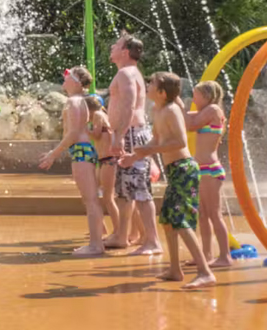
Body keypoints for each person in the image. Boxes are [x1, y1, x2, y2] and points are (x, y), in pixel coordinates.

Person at [120, 72, 215, 289]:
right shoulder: (157, 109)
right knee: (167, 221)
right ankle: (174, 269)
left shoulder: (172, 110)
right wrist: (135, 156)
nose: (148, 85)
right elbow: (156, 139)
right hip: (174, 170)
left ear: (162, 93)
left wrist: (151, 149)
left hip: (184, 168)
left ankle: (205, 272)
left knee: (180, 221)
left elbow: (181, 141)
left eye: (152, 83)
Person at [39, 66, 105, 256]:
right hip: (82, 151)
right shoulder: (77, 101)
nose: (64, 79)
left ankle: (96, 245)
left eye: (67, 77)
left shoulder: (74, 101)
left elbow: (74, 133)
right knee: (90, 199)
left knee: (91, 200)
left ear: (76, 82)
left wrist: (54, 153)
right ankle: (97, 240)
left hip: (80, 150)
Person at [105, 33, 161, 255]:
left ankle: (153, 241)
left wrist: (118, 136)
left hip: (129, 134)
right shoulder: (129, 72)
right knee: (126, 191)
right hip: (129, 133)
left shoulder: (126, 73)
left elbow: (128, 107)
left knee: (139, 190)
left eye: (116, 44)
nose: (112, 46)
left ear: (125, 52)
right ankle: (122, 235)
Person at [184, 80, 232, 268]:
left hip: (210, 169)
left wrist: (178, 106)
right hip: (202, 169)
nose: (193, 99)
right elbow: (188, 119)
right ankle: (205, 254)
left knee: (214, 213)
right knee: (203, 214)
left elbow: (191, 124)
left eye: (196, 95)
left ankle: (225, 256)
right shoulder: (207, 111)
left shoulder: (212, 110)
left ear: (206, 96)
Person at [84, 95, 120, 240]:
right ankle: (102, 227)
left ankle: (119, 231)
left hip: (109, 160)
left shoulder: (99, 114)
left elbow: (97, 135)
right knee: (90, 194)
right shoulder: (99, 115)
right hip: (103, 160)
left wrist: (84, 128)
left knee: (108, 198)